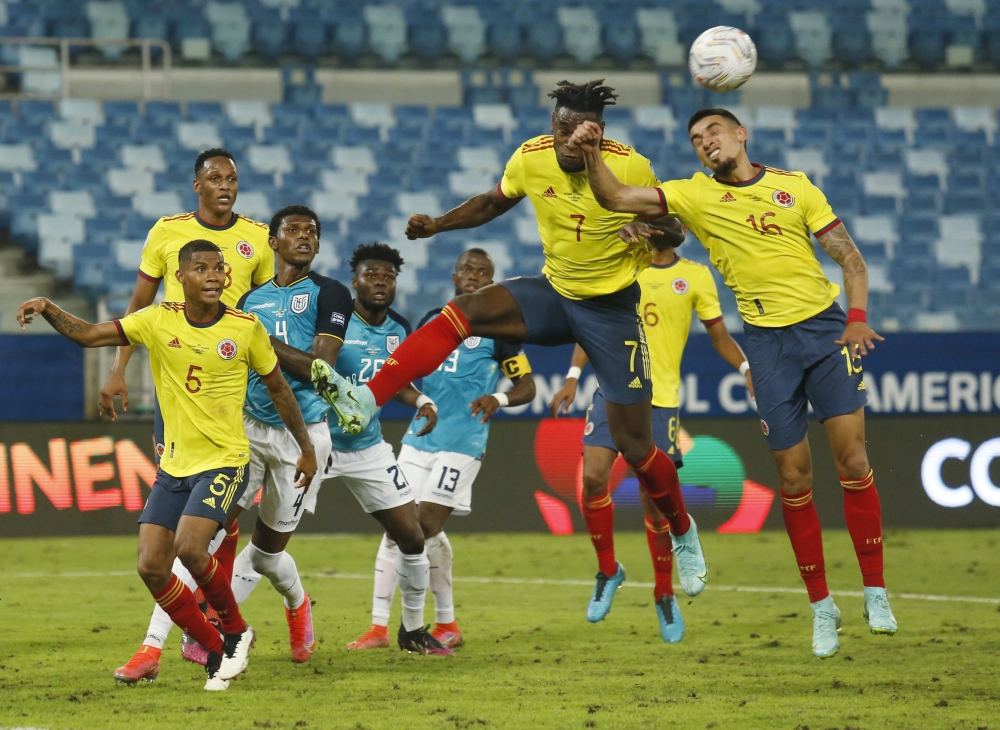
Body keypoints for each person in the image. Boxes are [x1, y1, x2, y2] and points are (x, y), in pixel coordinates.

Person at [311, 80, 710, 606]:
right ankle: (368, 399)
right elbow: (491, 202)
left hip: (611, 309)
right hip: (556, 292)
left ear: (599, 132)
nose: (568, 140)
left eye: (580, 131)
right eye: (561, 128)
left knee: (636, 447)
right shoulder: (531, 156)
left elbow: (676, 228)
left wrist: (650, 227)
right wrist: (438, 225)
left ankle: (682, 529)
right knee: (465, 311)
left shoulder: (630, 166)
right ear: (552, 125)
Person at [566, 107, 896, 659]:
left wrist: (858, 316)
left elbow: (850, 258)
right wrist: (592, 151)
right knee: (793, 478)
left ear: (741, 135)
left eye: (713, 131)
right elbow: (617, 196)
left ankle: (876, 592)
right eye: (696, 138)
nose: (705, 142)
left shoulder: (796, 188)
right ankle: (822, 608)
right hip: (766, 347)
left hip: (825, 331)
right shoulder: (695, 194)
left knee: (853, 461)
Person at [17, 240, 317, 690]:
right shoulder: (158, 319)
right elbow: (89, 334)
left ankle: (235, 632)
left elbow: (279, 388)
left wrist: (305, 448)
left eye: (219, 268)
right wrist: (47, 306)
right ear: (181, 277)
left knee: (190, 548)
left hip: (225, 461)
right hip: (175, 466)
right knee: (151, 566)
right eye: (202, 268)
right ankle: (214, 648)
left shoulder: (245, 328)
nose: (214, 276)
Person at [109, 148, 274, 683]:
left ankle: (204, 636)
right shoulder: (167, 232)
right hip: (181, 401)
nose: (226, 185)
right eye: (215, 178)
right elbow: (138, 306)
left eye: (233, 178)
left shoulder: (258, 238)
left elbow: (265, 313)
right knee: (180, 530)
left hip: (240, 395)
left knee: (219, 523)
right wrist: (119, 369)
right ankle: (161, 645)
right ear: (196, 185)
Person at [549, 217, 751, 643]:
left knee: (653, 500)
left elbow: (719, 336)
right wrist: (572, 375)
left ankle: (663, 592)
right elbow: (592, 328)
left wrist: (747, 368)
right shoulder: (622, 264)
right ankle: (609, 570)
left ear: (679, 233)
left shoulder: (695, 276)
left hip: (660, 399)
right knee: (593, 478)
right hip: (612, 387)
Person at [351, 249, 536, 651]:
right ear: (454, 275)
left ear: (491, 282)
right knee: (398, 529)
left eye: (482, 272)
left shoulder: (501, 333)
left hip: (462, 443)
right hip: (419, 439)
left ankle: (439, 622)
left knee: (425, 526)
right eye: (467, 268)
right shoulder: (432, 321)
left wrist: (498, 399)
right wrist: (420, 401)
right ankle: (380, 628)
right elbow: (406, 369)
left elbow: (527, 388)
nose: (473, 275)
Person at [277, 242, 452, 656]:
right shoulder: (334, 323)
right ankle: (224, 626)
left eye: (388, 276)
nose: (380, 282)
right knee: (271, 544)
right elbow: (309, 369)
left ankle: (412, 631)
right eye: (371, 275)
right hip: (318, 443)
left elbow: (394, 379)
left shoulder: (399, 329)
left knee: (412, 536)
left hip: (369, 447)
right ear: (354, 282)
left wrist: (422, 400)